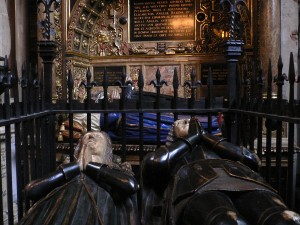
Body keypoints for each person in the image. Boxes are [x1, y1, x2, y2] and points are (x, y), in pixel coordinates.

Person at [141, 117, 300, 225]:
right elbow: (153, 163)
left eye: (191, 122)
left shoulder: (218, 148)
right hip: (198, 185)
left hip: (244, 180)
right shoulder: (169, 152)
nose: (189, 122)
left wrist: (205, 136)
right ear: (172, 133)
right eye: (182, 122)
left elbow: (252, 159)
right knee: (224, 220)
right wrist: (190, 139)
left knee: (283, 219)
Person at [19, 131, 140, 225]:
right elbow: (30, 190)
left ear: (107, 151)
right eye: (86, 137)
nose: (90, 137)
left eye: (97, 137)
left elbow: (131, 185)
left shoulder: (114, 171)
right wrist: (77, 166)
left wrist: (89, 166)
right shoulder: (68, 172)